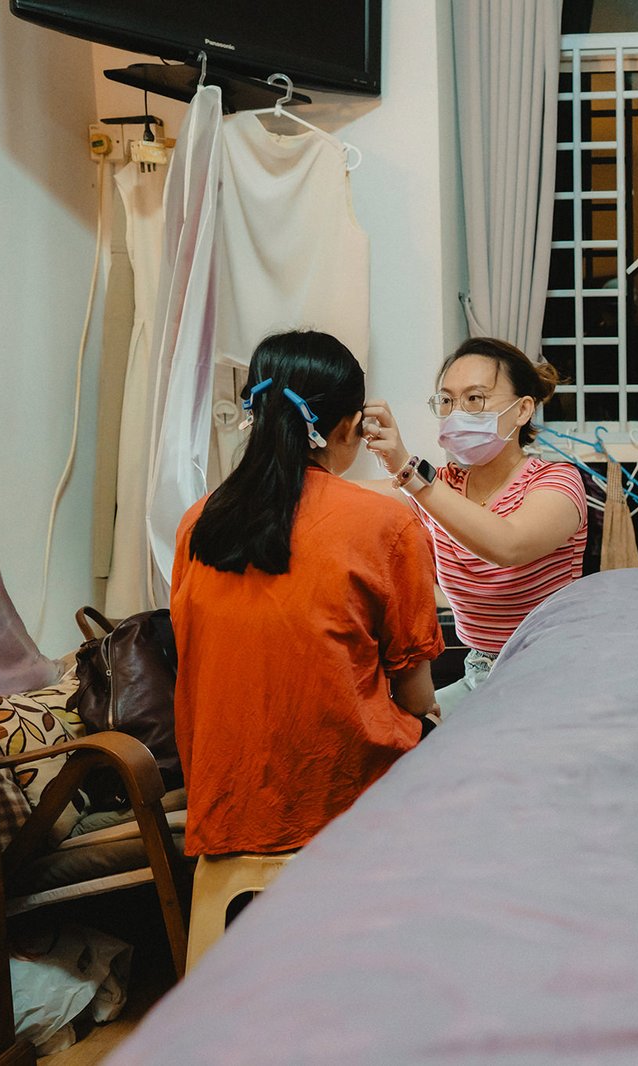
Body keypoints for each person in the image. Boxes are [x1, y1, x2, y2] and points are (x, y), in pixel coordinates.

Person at [171, 331, 444, 856]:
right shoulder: (385, 524)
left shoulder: (197, 523)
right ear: (349, 426)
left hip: (223, 802)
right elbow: (415, 697)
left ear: (254, 415)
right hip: (337, 808)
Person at [361, 337, 588, 714]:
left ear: (523, 410)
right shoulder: (442, 486)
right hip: (480, 674)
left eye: (475, 399)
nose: (457, 413)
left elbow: (508, 545)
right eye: (447, 401)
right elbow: (343, 494)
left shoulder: (556, 481)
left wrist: (408, 472)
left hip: (553, 674)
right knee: (404, 731)